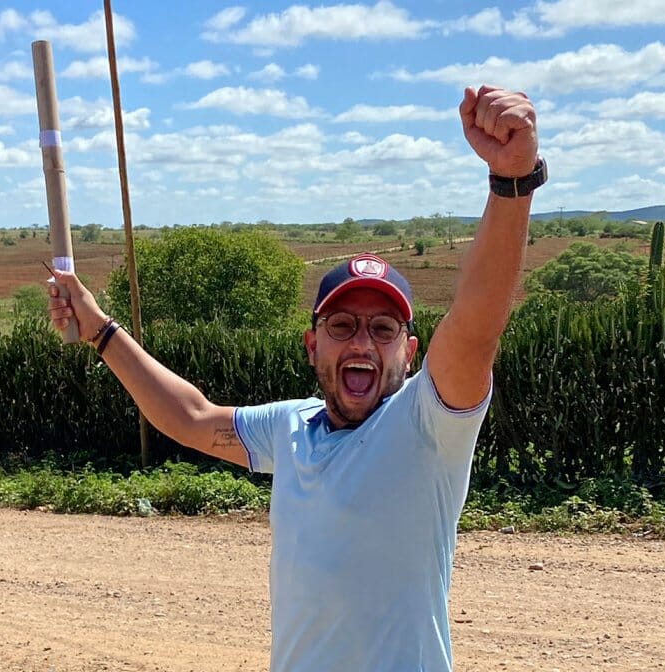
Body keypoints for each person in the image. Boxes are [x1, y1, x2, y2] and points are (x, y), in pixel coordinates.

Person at [47, 85, 545, 672]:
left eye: (383, 329)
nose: (362, 342)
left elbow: (475, 325)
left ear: (409, 353)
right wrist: (101, 329)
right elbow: (192, 418)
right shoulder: (291, 427)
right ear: (313, 346)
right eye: (341, 325)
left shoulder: (428, 429)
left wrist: (512, 183)